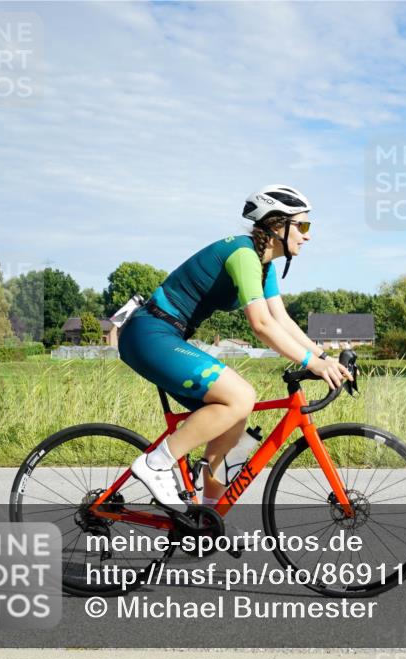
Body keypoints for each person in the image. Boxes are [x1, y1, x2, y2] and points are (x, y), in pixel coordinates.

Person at [117, 185, 352, 508]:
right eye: (303, 225)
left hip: (164, 336)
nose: (308, 236)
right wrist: (311, 362)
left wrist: (325, 358)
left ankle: (207, 515)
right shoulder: (244, 255)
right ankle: (155, 464)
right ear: (276, 225)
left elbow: (281, 319)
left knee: (236, 418)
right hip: (149, 333)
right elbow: (262, 325)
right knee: (241, 396)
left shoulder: (262, 263)